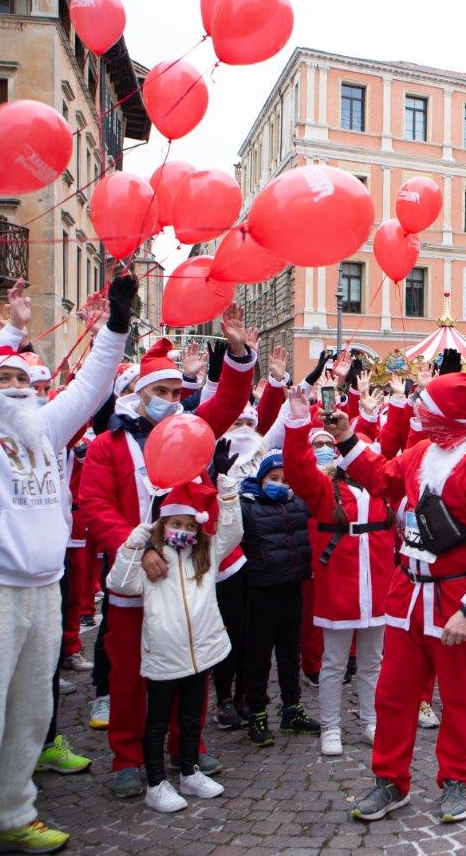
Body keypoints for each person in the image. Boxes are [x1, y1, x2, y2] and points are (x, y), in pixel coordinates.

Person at [0, 242, 135, 855]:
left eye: (18, 378)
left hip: (43, 589)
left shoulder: (45, 430)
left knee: (32, 712)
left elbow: (89, 387)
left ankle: (12, 811)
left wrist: (116, 325)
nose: (12, 387)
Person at [324, 371, 466, 824]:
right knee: (393, 695)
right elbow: (383, 478)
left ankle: (457, 781)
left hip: (456, 604)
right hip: (409, 597)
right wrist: (349, 438)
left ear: (450, 417)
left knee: (459, 698)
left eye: (426, 411)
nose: (418, 416)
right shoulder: (421, 453)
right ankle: (390, 781)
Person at [79, 305, 256, 798]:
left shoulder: (191, 429)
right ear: (139, 394)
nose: (172, 400)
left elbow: (227, 403)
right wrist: (134, 550)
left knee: (192, 663)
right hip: (138, 577)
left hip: (187, 576)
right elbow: (95, 505)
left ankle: (189, 747)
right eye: (161, 392)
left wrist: (237, 353)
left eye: (178, 392)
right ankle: (129, 757)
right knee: (133, 672)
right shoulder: (107, 446)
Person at [106, 478, 242, 813]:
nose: (182, 529)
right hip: (164, 654)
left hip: (201, 652)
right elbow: (119, 584)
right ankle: (155, 783)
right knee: (158, 720)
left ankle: (189, 771)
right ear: (162, 525)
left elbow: (232, 533)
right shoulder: (152, 560)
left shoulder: (205, 553)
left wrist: (227, 497)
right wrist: (132, 547)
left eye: (188, 524)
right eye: (174, 524)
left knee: (192, 715)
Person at [281, 407, 393, 758]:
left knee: (373, 660)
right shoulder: (324, 487)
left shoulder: (381, 490)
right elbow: (297, 469)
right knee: (334, 661)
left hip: (376, 586)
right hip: (339, 587)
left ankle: (371, 720)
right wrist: (298, 423)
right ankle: (330, 725)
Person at [236, 448, 320, 747]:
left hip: (292, 585)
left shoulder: (297, 503)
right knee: (258, 657)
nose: (279, 484)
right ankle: (257, 712)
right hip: (261, 589)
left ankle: (291, 709)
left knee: (289, 653)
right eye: (273, 478)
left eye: (285, 479)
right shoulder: (246, 506)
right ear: (261, 479)